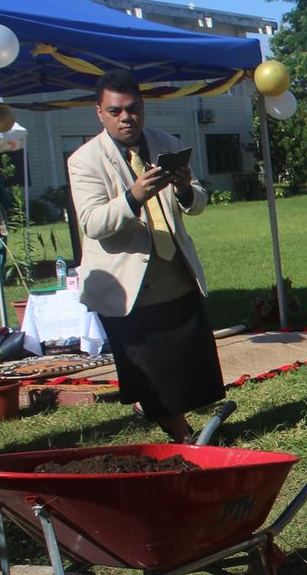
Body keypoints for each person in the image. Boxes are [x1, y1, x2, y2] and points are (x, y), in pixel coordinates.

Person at [68, 69, 224, 442]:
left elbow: (198, 202)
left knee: (190, 361)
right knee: (155, 369)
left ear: (143, 107)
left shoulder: (165, 142)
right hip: (128, 285)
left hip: (175, 272)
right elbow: (92, 223)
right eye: (116, 110)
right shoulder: (84, 160)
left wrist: (187, 189)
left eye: (133, 108)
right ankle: (181, 435)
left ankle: (181, 422)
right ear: (99, 113)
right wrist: (133, 197)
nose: (126, 118)